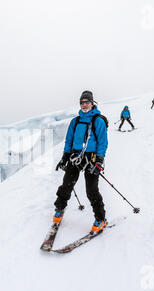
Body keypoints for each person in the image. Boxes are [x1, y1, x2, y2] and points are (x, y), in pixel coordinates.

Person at [53, 90, 109, 234]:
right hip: (75, 156)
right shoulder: (75, 121)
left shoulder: (98, 120)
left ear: (92, 103)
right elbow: (69, 140)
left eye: (87, 102)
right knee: (66, 185)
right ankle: (60, 208)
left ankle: (100, 219)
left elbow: (102, 143)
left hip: (92, 158)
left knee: (91, 190)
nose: (84, 105)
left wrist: (99, 161)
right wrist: (65, 157)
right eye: (82, 102)